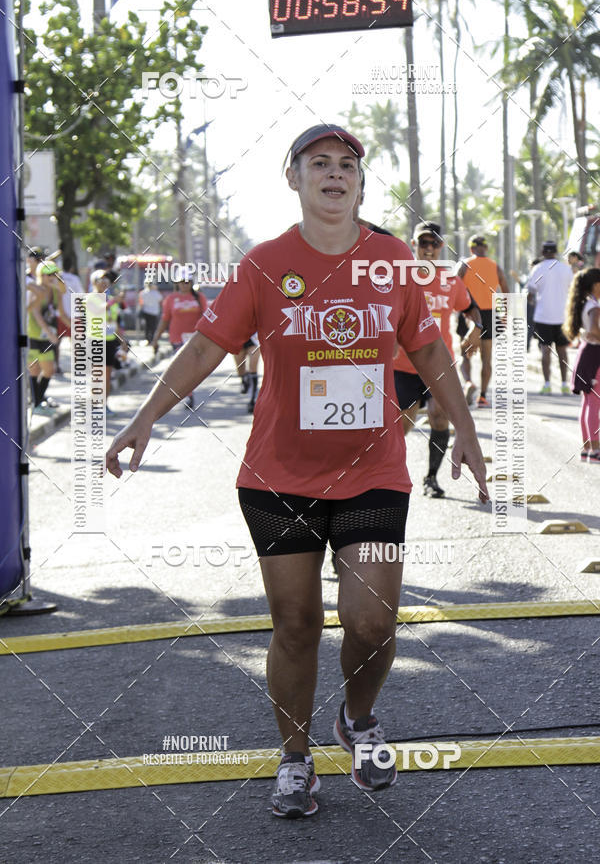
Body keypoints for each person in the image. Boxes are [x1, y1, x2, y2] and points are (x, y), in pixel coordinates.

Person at [106, 124, 488, 819]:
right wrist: (144, 419)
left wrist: (463, 430)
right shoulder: (263, 264)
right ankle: (294, 759)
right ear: (296, 179)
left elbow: (431, 355)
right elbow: (204, 349)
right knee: (296, 623)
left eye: (347, 165)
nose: (335, 174)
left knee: (371, 622)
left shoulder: (393, 261)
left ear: (360, 183)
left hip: (373, 472)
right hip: (277, 476)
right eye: (320, 163)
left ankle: (359, 719)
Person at [393, 222, 483, 498]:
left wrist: (475, 330)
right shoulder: (399, 277)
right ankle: (392, 477)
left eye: (434, 244)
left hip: (439, 363)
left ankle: (431, 478)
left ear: (441, 246)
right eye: (423, 243)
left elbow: (472, 310)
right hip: (403, 366)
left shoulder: (450, 280)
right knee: (402, 425)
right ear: (413, 244)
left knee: (439, 417)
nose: (429, 249)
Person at [457, 235, 509, 407]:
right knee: (487, 359)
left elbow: (453, 285)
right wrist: (505, 314)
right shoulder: (496, 266)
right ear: (485, 248)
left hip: (469, 312)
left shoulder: (464, 264)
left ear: (471, 249)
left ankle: (468, 383)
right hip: (490, 313)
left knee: (465, 355)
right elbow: (506, 291)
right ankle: (483, 397)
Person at [151, 271, 208, 408]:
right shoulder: (171, 299)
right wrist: (156, 338)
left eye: (187, 282)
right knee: (183, 368)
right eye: (182, 282)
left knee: (191, 369)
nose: (184, 285)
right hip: (177, 338)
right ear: (177, 283)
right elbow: (165, 320)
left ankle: (188, 392)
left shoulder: (199, 297)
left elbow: (206, 317)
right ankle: (188, 395)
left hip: (195, 338)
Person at [526, 240, 573, 394]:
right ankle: (565, 384)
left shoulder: (537, 269)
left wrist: (533, 302)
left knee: (545, 351)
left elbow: (530, 293)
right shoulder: (566, 269)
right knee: (563, 351)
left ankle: (547, 384)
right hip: (562, 316)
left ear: (543, 252)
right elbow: (572, 290)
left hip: (543, 316)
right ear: (555, 252)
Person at [564, 267, 600, 462]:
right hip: (595, 354)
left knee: (588, 403)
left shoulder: (584, 303)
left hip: (586, 353)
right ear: (596, 285)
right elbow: (595, 330)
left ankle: (587, 448)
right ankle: (596, 450)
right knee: (595, 403)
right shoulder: (594, 306)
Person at [27, 260, 66, 415]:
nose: (51, 277)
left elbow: (62, 314)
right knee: (34, 370)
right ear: (40, 275)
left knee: (49, 370)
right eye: (48, 274)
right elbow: (35, 313)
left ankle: (38, 401)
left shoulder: (56, 292)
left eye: (54, 274)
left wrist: (79, 329)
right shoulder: (36, 290)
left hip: (47, 337)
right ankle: (36, 404)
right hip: (34, 335)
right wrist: (50, 334)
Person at [90, 270, 128, 415]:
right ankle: (95, 406)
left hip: (110, 341)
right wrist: (112, 301)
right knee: (97, 375)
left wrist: (122, 341)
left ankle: (104, 405)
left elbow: (115, 322)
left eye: (106, 279)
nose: (104, 282)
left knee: (107, 375)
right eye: (100, 279)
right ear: (94, 282)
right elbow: (97, 311)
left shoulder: (111, 299)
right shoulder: (91, 298)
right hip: (96, 340)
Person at [234, 335, 262, 413]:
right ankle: (244, 379)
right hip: (238, 337)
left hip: (253, 338)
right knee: (240, 369)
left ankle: (253, 400)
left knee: (253, 368)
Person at [139, 280, 162, 344]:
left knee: (147, 327)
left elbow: (141, 302)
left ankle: (147, 339)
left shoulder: (143, 292)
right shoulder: (155, 292)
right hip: (154, 312)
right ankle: (152, 339)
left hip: (146, 311)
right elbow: (160, 299)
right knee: (153, 327)